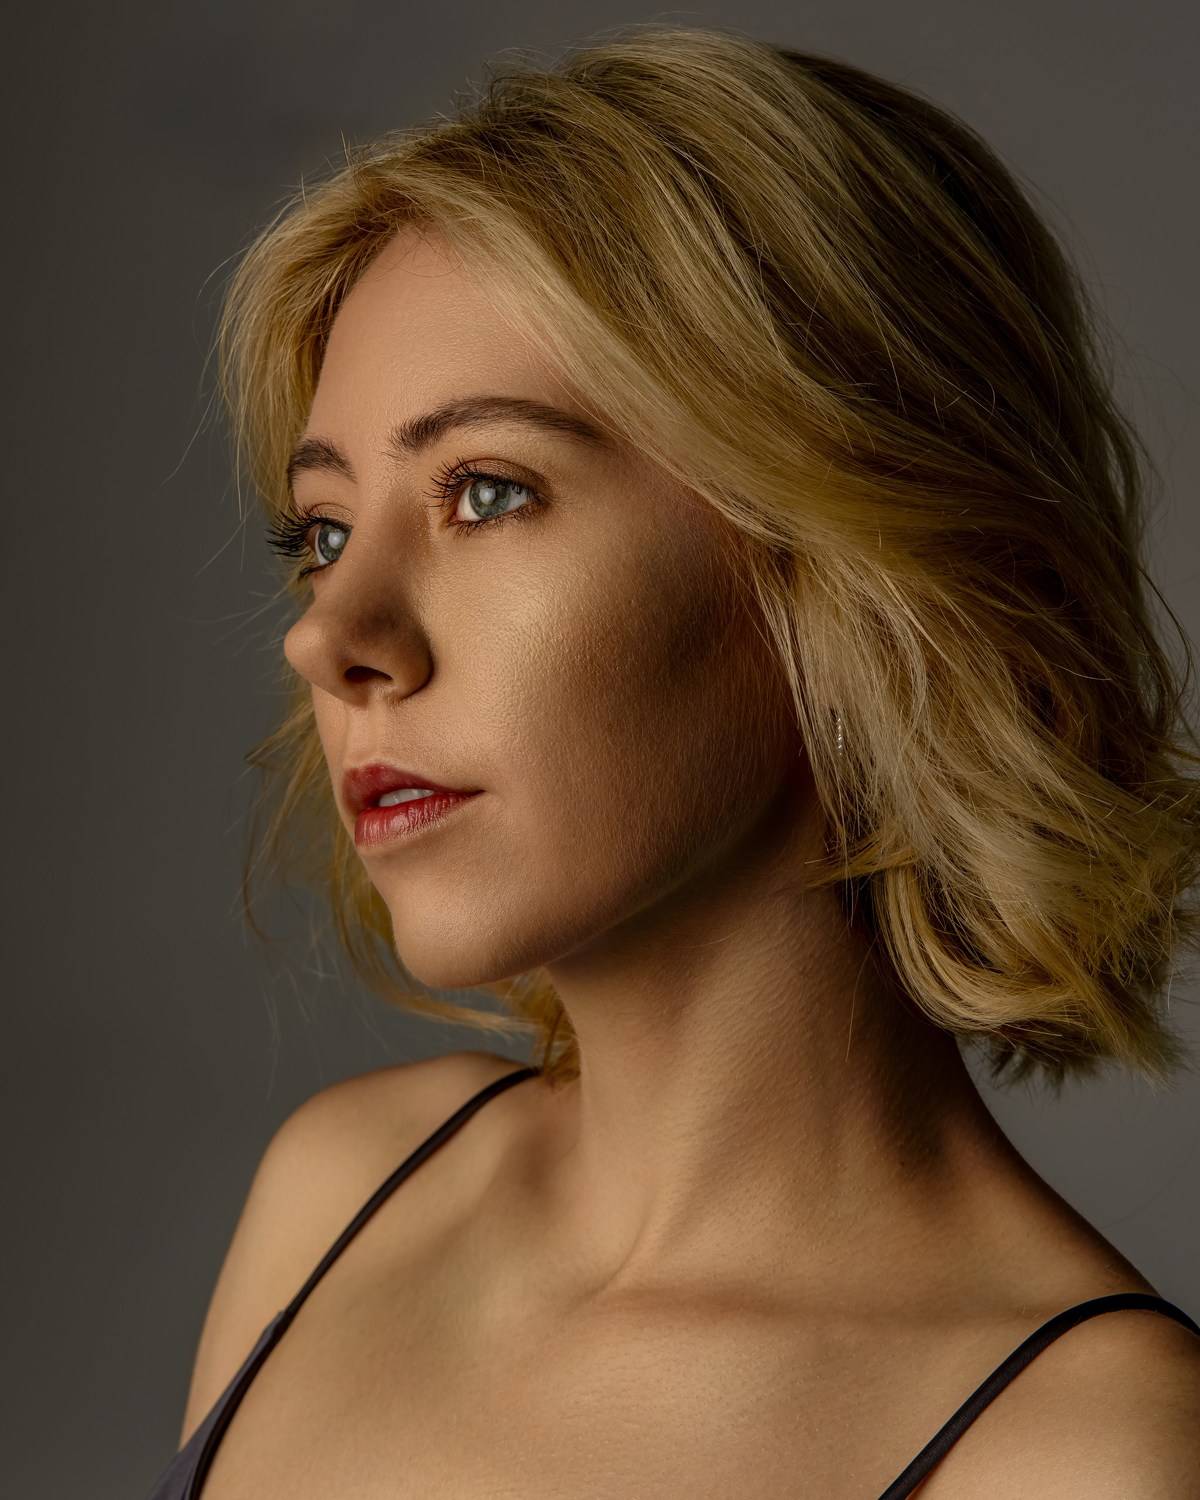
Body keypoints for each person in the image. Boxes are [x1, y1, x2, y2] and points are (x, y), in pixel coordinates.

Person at [146, 23, 1200, 1499]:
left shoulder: (1089, 1456)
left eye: (486, 492)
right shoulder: (344, 1195)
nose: (330, 636)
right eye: (323, 531)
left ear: (840, 556)